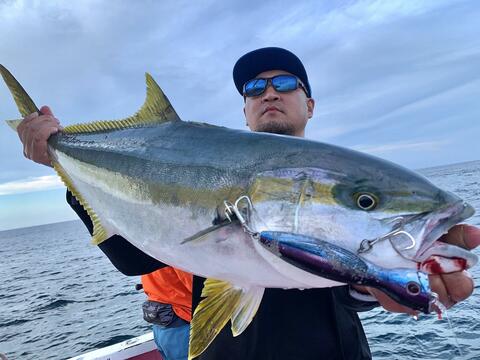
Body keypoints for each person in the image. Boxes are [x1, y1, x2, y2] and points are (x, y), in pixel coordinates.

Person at [16, 47, 480, 359]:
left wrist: (384, 287)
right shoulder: (195, 165)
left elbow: (349, 282)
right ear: (244, 111)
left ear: (310, 104)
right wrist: (60, 158)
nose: (269, 92)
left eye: (285, 83)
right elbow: (132, 257)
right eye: (254, 89)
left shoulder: (336, 171)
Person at [141, 268, 192, 360]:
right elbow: (196, 286)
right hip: (183, 326)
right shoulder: (178, 256)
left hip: (161, 327)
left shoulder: (150, 255)